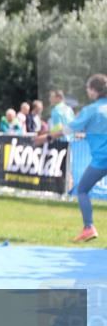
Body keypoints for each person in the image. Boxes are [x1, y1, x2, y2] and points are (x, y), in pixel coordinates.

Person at [34, 74, 107, 242]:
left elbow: (68, 129)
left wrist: (46, 138)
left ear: (95, 90)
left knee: (82, 190)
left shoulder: (91, 110)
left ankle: (89, 227)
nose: (87, 91)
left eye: (88, 88)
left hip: (101, 161)